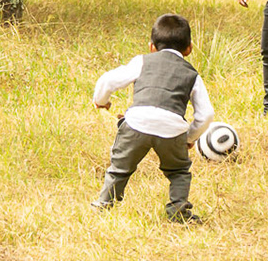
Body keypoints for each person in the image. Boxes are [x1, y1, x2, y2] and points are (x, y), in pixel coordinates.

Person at [90, 13, 215, 222]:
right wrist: (189, 138)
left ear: (151, 46)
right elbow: (206, 114)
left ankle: (104, 203)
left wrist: (101, 101)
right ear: (189, 48)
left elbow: (108, 80)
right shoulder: (192, 75)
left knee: (120, 168)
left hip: (136, 123)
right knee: (179, 172)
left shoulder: (142, 61)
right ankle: (178, 210)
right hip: (173, 129)